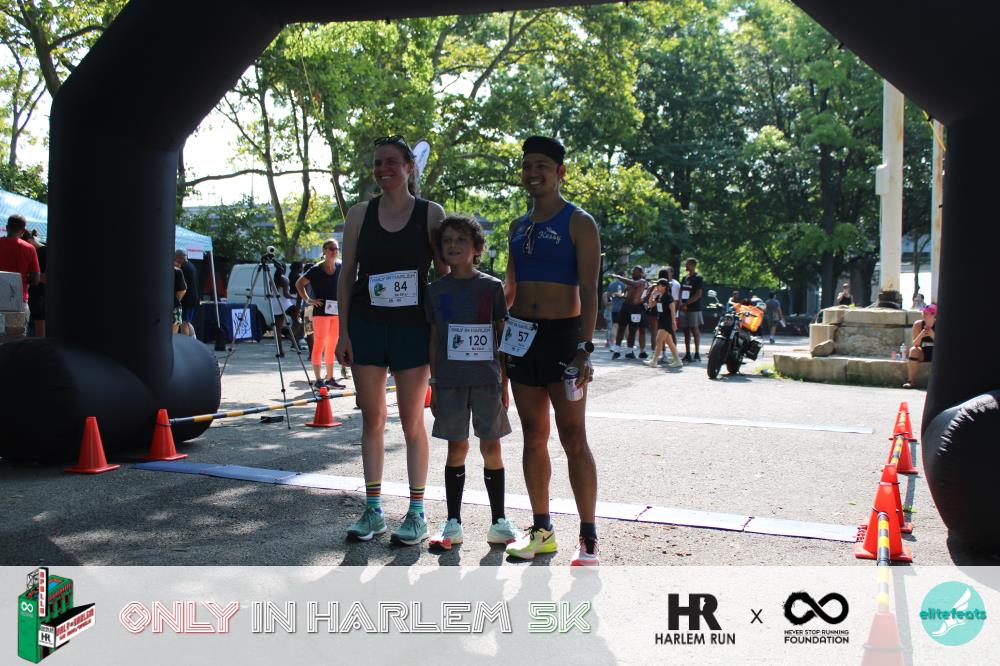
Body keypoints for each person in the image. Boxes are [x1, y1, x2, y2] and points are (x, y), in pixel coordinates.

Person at [336, 135, 447, 546]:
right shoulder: (359, 214)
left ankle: (416, 513)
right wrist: (343, 331)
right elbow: (347, 275)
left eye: (391, 163)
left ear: (409, 167)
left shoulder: (431, 213)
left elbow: (444, 277)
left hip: (412, 329)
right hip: (366, 325)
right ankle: (373, 510)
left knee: (412, 420)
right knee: (373, 419)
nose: (383, 170)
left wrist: (443, 334)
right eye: (377, 163)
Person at [503, 136, 601, 566]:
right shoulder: (517, 226)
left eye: (542, 165)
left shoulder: (579, 222)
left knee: (573, 437)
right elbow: (509, 288)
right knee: (533, 434)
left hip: (565, 339)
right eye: (527, 166)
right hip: (522, 337)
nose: (533, 173)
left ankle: (588, 536)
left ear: (560, 171)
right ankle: (541, 531)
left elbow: (591, 289)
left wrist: (585, 347)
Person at [425, 214, 518, 549]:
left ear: (477, 248)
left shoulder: (491, 288)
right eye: (447, 241)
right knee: (456, 447)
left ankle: (499, 522)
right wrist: (434, 383)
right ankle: (453, 522)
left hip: (486, 381)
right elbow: (434, 339)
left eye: (461, 240)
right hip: (450, 381)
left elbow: (501, 336)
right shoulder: (435, 290)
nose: (453, 246)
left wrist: (504, 382)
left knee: (491, 446)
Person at [297, 240, 345, 389]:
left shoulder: (340, 266)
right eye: (331, 249)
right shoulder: (316, 269)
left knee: (331, 346)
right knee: (319, 345)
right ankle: (318, 380)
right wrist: (309, 300)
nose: (334, 251)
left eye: (336, 249)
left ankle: (330, 378)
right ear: (324, 251)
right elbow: (299, 284)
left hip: (336, 313)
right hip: (320, 313)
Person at [0, 215, 40, 338]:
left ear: (7, 227)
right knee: (15, 341)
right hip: (18, 301)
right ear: (23, 231)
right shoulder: (29, 249)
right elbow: (36, 279)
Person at [610, 266, 647, 359]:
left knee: (633, 330)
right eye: (633, 271)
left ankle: (629, 352)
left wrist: (618, 277)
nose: (633, 273)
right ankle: (617, 350)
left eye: (635, 271)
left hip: (636, 308)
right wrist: (620, 295)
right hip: (625, 307)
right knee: (621, 328)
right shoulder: (629, 283)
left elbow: (634, 284)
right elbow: (626, 294)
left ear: (641, 273)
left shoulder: (642, 281)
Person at [645, 279, 682, 368]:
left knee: (658, 340)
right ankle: (678, 361)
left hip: (667, 321)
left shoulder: (668, 297)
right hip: (661, 320)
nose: (657, 287)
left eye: (659, 285)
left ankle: (654, 361)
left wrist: (674, 322)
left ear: (664, 287)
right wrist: (652, 294)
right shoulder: (659, 297)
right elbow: (650, 305)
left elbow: (672, 310)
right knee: (669, 342)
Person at [903, 303, 936, 389]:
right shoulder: (918, 324)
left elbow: (944, 345)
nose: (924, 315)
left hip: (936, 354)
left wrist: (933, 335)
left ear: (933, 315)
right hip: (923, 353)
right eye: (923, 313)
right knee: (913, 350)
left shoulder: (941, 325)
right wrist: (921, 335)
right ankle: (910, 381)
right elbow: (915, 344)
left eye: (926, 313)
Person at [678, 257, 704, 362]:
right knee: (686, 330)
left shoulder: (698, 278)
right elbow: (681, 291)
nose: (686, 265)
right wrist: (681, 303)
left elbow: (698, 295)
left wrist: (686, 304)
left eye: (688, 264)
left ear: (693, 265)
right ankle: (687, 353)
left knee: (694, 329)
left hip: (694, 308)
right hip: (684, 308)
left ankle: (697, 354)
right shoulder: (684, 278)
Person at [24, 230, 46, 337]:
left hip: (39, 296)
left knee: (39, 330)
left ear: (29, 241)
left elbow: (44, 278)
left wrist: (29, 276)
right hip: (36, 295)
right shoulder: (39, 251)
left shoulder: (43, 252)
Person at [174, 250, 199, 337]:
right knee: (187, 322)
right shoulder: (192, 266)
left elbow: (183, 287)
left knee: (184, 323)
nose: (175, 261)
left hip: (187, 300)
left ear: (180, 258)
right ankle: (193, 340)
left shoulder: (184, 269)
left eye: (176, 258)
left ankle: (186, 341)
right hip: (194, 299)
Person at [606, 275, 626, 348]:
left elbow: (608, 295)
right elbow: (626, 295)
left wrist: (611, 302)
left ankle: (612, 344)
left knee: (614, 325)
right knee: (626, 326)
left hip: (614, 308)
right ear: (623, 276)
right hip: (623, 308)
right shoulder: (624, 284)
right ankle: (629, 345)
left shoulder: (611, 284)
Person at [172, 261, 187, 334]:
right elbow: (182, 290)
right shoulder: (177, 271)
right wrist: (176, 300)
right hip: (174, 307)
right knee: (173, 336)